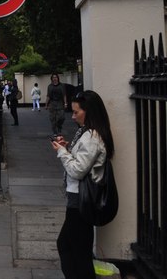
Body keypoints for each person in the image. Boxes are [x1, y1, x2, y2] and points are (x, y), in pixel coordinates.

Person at [50, 90, 115, 279]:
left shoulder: (93, 137)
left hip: (81, 199)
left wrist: (62, 152)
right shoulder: (87, 133)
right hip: (77, 197)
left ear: (89, 111)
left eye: (76, 112)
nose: (73, 116)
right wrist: (68, 148)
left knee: (75, 249)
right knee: (72, 246)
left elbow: (78, 170)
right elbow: (82, 161)